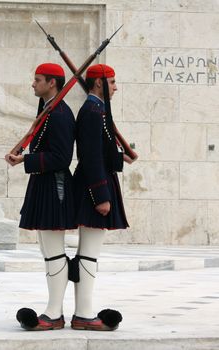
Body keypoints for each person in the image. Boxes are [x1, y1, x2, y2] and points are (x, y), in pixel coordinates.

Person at [5, 63, 76, 331]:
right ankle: (53, 309)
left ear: (52, 83)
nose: (33, 84)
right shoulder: (48, 110)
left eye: (38, 80)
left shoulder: (59, 114)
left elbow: (61, 157)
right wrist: (25, 158)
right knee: (47, 250)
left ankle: (54, 313)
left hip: (54, 186)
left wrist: (26, 159)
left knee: (55, 251)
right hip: (44, 183)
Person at [70, 63, 128, 331]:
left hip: (98, 182)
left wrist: (120, 155)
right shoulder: (93, 111)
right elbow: (90, 156)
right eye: (112, 82)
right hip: (96, 185)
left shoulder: (97, 110)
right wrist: (101, 196)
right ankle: (83, 314)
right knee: (89, 254)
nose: (116, 87)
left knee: (88, 253)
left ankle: (83, 312)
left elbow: (101, 151)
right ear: (97, 84)